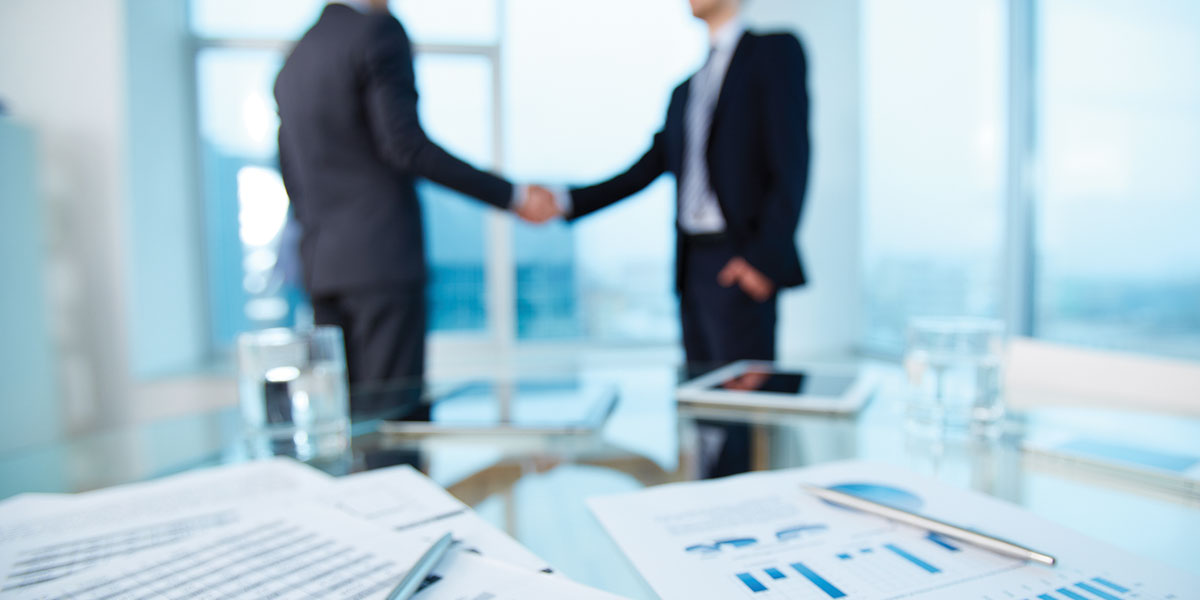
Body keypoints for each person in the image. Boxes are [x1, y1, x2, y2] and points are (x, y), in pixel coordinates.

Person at [554, 0, 811, 476]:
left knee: (743, 408)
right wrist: (567, 201)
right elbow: (646, 169)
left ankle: (744, 515)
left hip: (739, 260)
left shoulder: (775, 53)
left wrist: (762, 259)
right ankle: (705, 508)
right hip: (692, 264)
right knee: (702, 404)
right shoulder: (684, 90)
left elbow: (793, 159)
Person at [274, 0, 559, 418]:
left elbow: (290, 171)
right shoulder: (377, 32)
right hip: (380, 262)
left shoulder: (294, 59)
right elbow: (405, 146)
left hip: (323, 270)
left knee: (348, 424)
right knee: (394, 423)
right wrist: (512, 195)